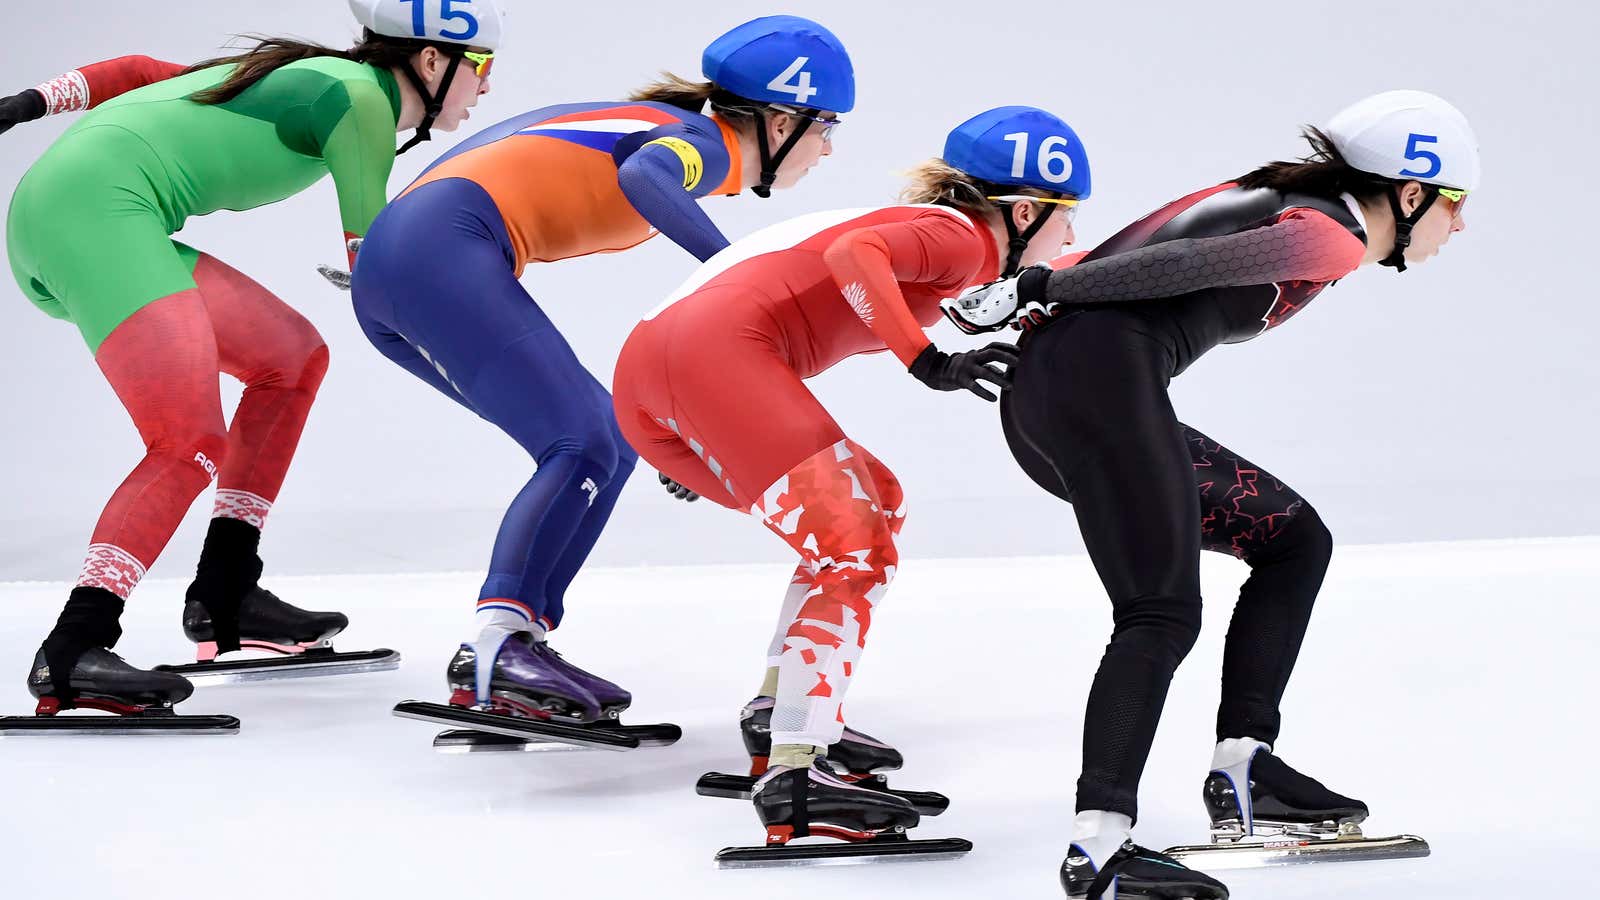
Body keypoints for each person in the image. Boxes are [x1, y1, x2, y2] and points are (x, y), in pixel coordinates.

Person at [943, 90, 1477, 899]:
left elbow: (1149, 252)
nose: (1459, 226)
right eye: (1454, 205)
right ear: (1409, 195)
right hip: (1095, 390)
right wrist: (1036, 282)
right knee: (1158, 612)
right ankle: (1099, 849)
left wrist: (1041, 291)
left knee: (1295, 540)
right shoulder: (1328, 237)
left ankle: (1247, 765)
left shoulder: (1278, 198)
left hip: (1061, 395)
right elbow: (1179, 265)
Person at [348, 16, 854, 730]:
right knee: (581, 440)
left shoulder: (675, 130)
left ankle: (521, 642)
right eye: (827, 127)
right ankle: (494, 649)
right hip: (430, 253)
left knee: (612, 441)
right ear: (780, 122)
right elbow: (645, 173)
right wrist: (735, 271)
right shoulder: (702, 143)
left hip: (410, 261)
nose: (829, 149)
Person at [1, 0, 501, 721]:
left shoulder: (311, 79)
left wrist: (25, 103)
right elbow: (375, 261)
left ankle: (226, 591)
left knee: (291, 360)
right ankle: (74, 647)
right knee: (186, 441)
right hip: (93, 215)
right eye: (480, 67)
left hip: (82, 214)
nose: (486, 87)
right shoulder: (361, 100)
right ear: (431, 61)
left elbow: (142, 73)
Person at [612, 106, 1087, 847]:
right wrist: (925, 362)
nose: (1071, 239)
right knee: (853, 542)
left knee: (874, 501)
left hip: (653, 376)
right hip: (710, 361)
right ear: (1024, 211)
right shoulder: (958, 235)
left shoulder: (939, 244)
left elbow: (882, 275)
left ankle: (782, 715)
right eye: (1069, 220)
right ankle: (800, 773)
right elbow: (856, 257)